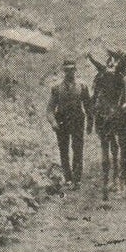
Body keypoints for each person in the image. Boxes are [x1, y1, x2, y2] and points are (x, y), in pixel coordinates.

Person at [46, 60, 92, 188]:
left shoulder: (82, 86)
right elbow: (49, 109)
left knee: (77, 148)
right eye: (66, 70)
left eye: (71, 69)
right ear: (63, 71)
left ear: (75, 70)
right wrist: (53, 122)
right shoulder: (56, 88)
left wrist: (90, 123)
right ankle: (68, 178)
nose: (69, 72)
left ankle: (77, 179)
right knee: (63, 150)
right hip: (62, 120)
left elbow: (88, 107)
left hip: (77, 120)